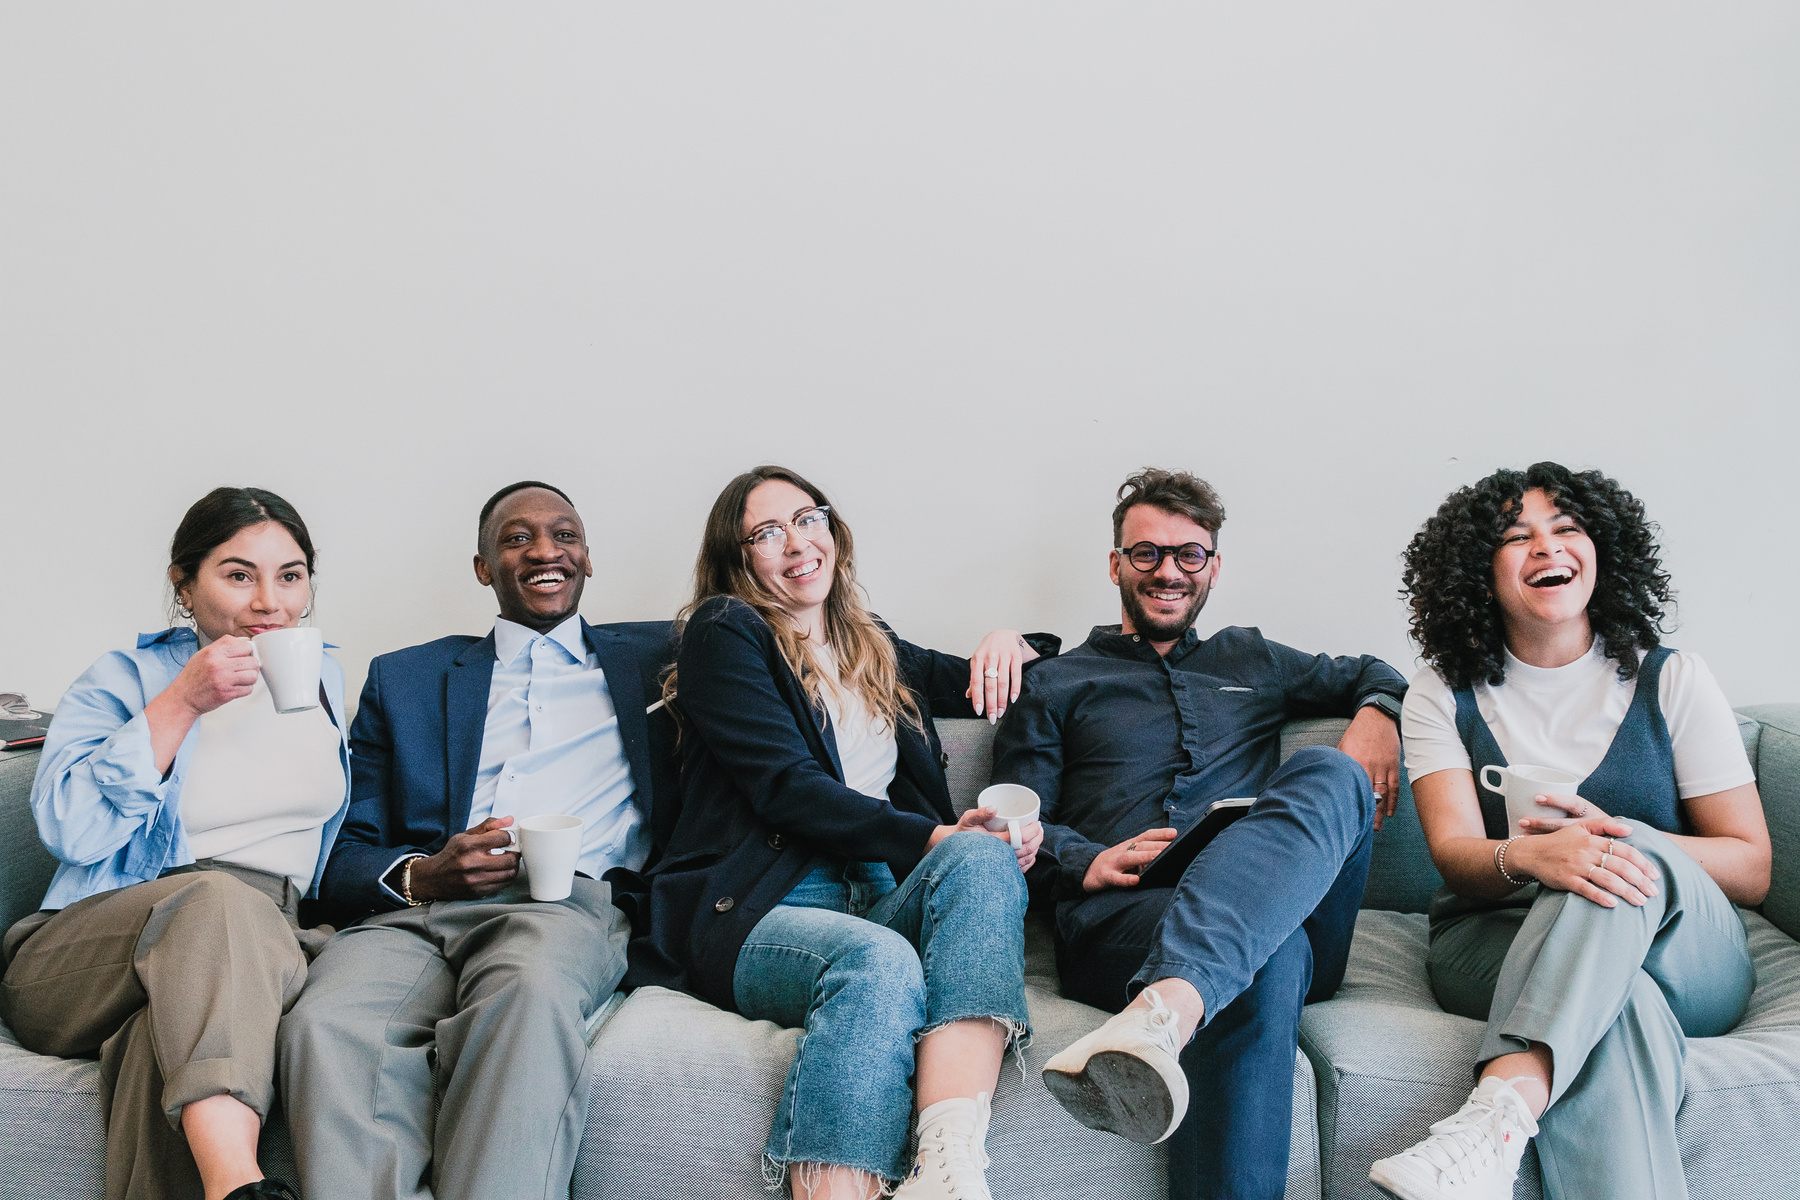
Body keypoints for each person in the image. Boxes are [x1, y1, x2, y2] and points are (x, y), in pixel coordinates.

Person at [623, 465, 1055, 1200]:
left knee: (984, 857)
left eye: (808, 517)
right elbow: (788, 789)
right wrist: (927, 839)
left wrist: (1012, 640)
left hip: (876, 892)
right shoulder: (725, 635)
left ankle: (946, 1170)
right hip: (760, 905)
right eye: (767, 531)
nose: (796, 542)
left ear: (833, 531)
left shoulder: (871, 643)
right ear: (739, 559)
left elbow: (994, 677)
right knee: (879, 963)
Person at [989, 467, 1407, 1200]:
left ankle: (1168, 1007)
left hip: (1286, 901)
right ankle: (1180, 996)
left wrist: (1376, 713)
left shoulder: (1254, 658)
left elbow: (1373, 669)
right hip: (1128, 917)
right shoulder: (1055, 682)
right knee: (1262, 960)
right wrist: (1083, 859)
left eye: (1189, 555)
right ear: (1116, 564)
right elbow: (1016, 822)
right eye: (1146, 554)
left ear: (1213, 566)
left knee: (1330, 772)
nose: (1168, 572)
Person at [1366, 462, 1769, 1200]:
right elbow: (1456, 858)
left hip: (1684, 952)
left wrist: (1619, 837)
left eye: (1567, 529)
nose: (1547, 547)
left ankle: (1499, 1110)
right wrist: (1532, 856)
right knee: (1618, 1007)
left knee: (1610, 859)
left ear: (1601, 551)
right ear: (1478, 572)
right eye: (1517, 537)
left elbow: (1750, 864)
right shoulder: (1438, 694)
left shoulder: (1671, 678)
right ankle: (1507, 1118)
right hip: (1495, 942)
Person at [276, 481, 676, 1200]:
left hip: (562, 905)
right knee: (324, 1025)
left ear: (588, 558)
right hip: (416, 915)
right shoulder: (405, 677)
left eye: (565, 534)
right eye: (517, 538)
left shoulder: (660, 656)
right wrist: (424, 875)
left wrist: (948, 671)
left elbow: (823, 643)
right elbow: (346, 842)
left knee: (524, 998)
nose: (546, 550)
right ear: (483, 567)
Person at [0, 487, 350, 1200]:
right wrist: (183, 700)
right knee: (217, 900)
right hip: (89, 949)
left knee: (150, 1052)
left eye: (290, 575)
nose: (269, 602)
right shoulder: (123, 680)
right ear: (184, 585)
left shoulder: (324, 677)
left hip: (257, 946)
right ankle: (237, 1187)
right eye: (238, 574)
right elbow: (72, 829)